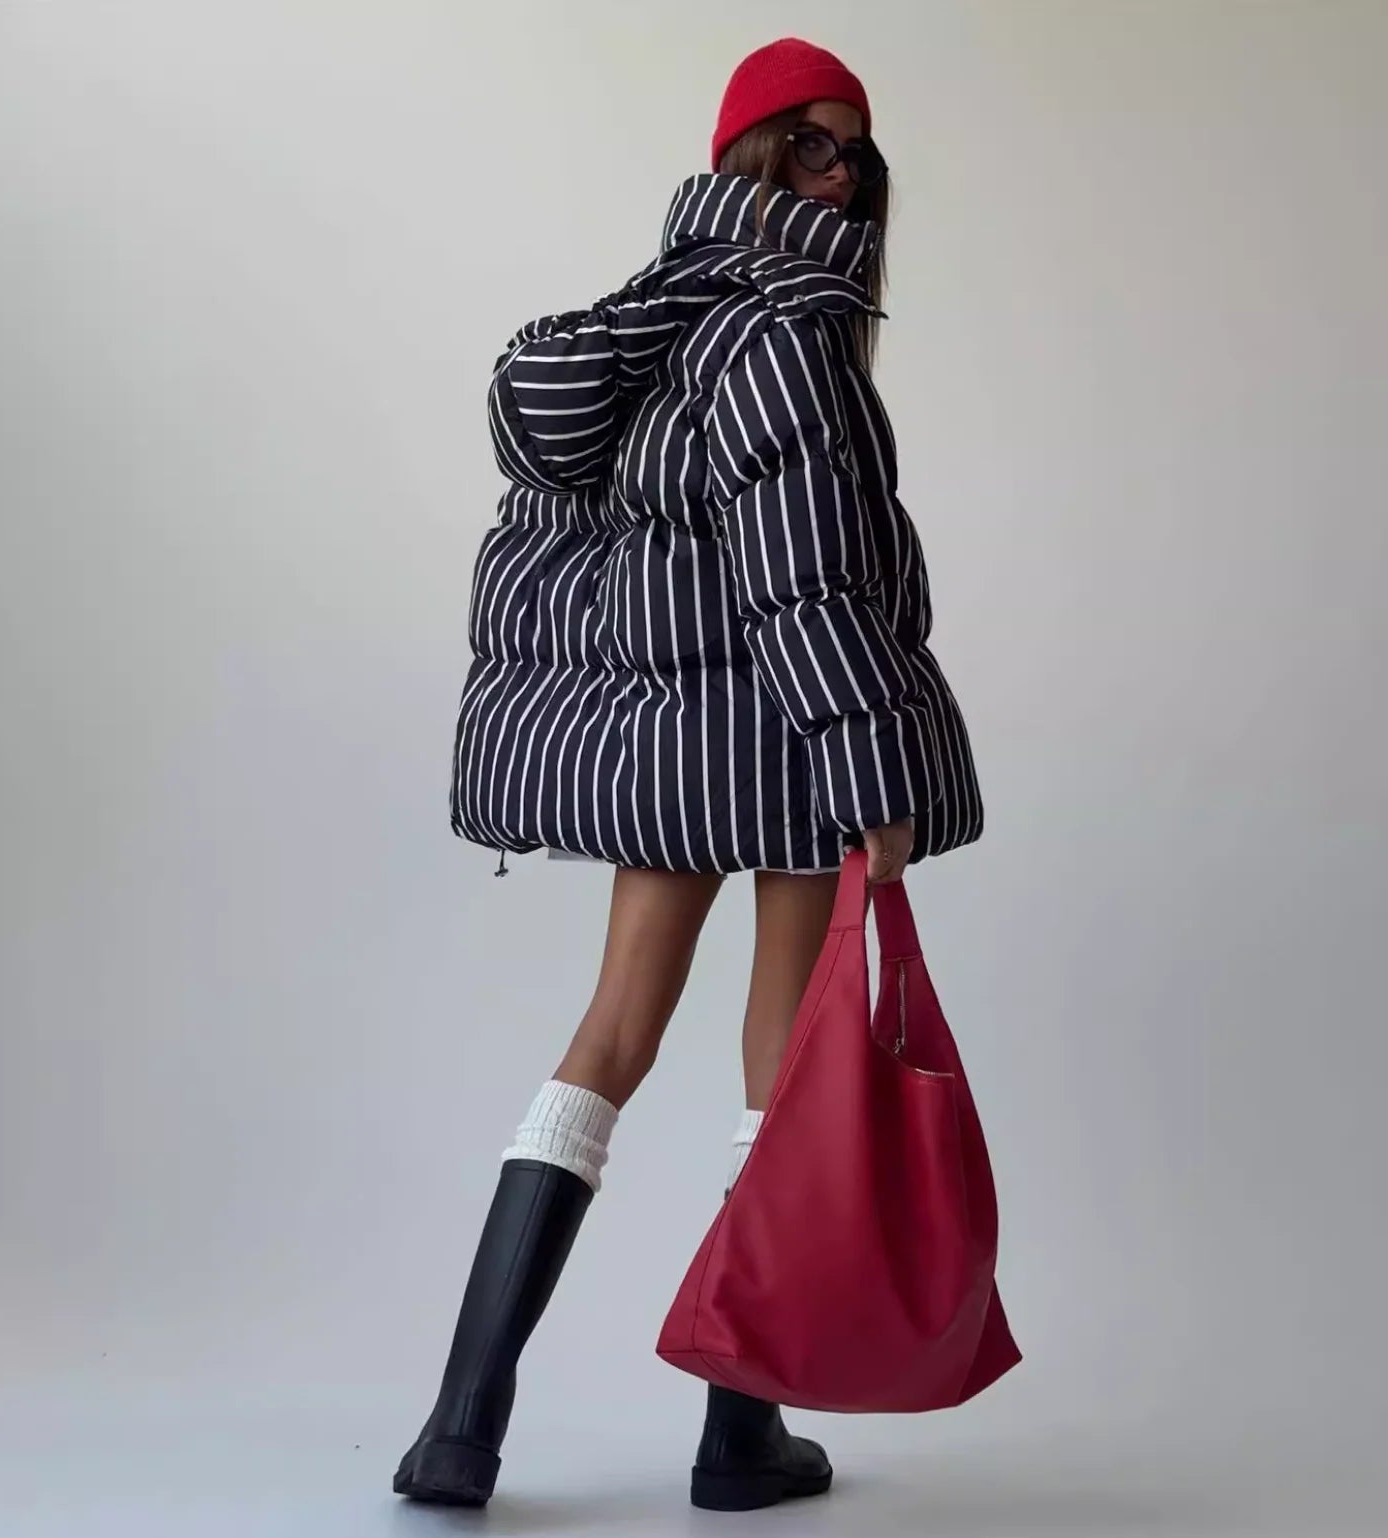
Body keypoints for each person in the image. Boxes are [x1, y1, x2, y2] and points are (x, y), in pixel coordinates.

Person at [394, 37, 984, 1513]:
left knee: (609, 1036)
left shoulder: (654, 318)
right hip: (788, 740)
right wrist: (871, 767)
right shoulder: (785, 329)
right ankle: (738, 1435)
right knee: (783, 1062)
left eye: (858, 151)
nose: (841, 174)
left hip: (673, 752)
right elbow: (808, 577)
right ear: (749, 156)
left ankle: (460, 1429)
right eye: (811, 144)